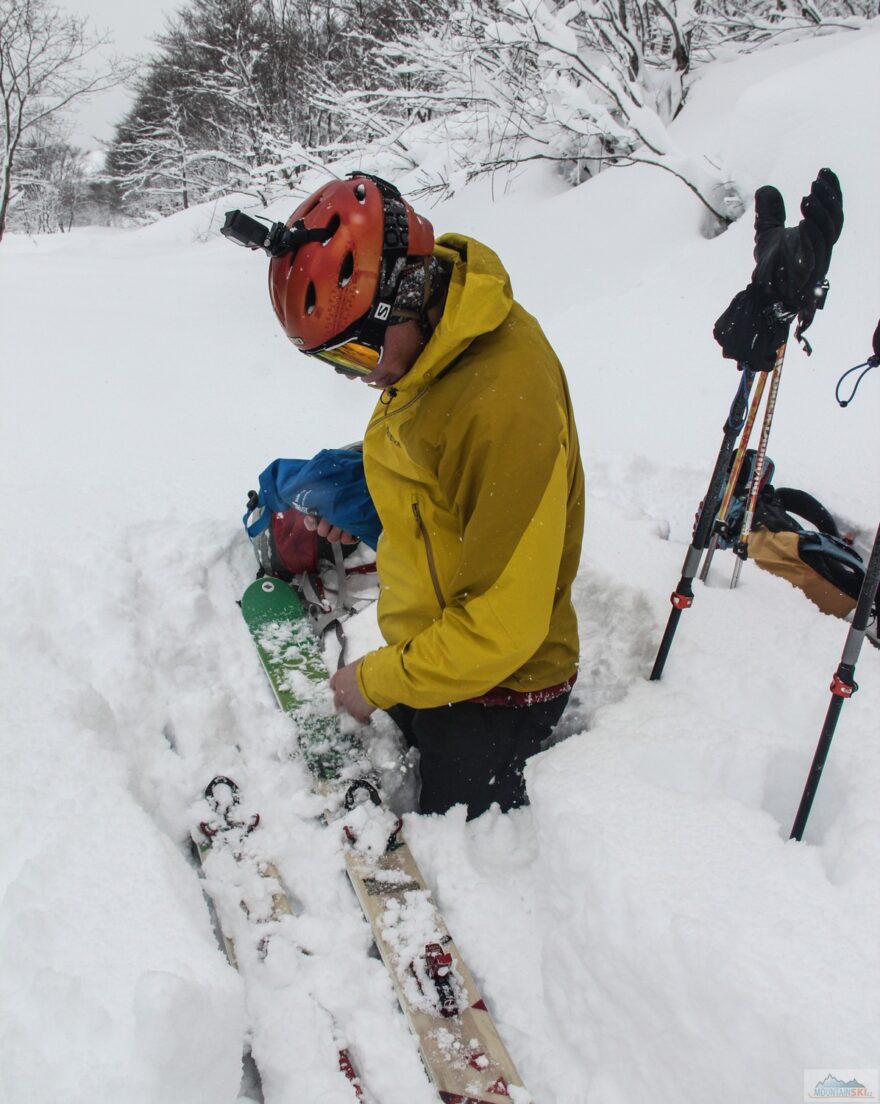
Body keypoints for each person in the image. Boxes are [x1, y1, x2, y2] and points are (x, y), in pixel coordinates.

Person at [267, 172, 585, 819]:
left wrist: (376, 680)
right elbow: (433, 484)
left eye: (356, 352)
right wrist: (368, 515)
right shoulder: (429, 352)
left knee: (454, 838)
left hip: (500, 689)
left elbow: (501, 629)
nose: (362, 378)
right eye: (337, 363)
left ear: (406, 295)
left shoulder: (502, 403)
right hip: (434, 656)